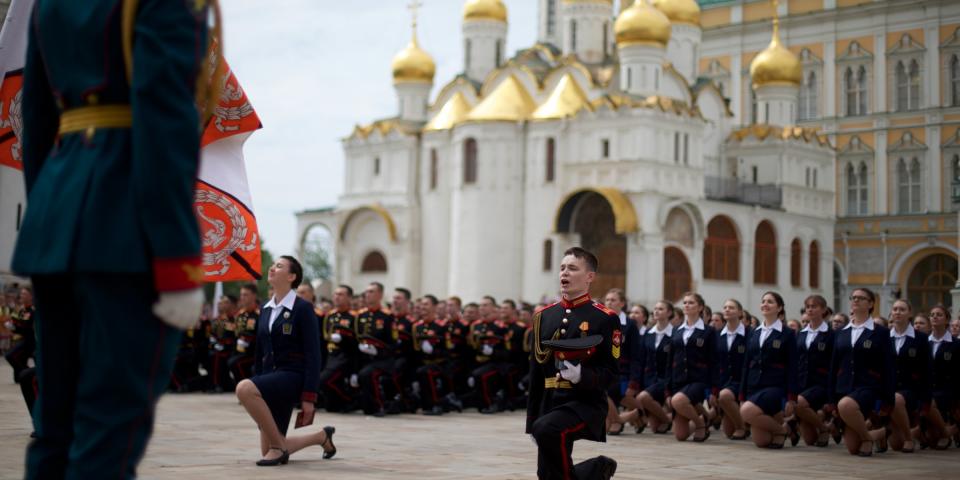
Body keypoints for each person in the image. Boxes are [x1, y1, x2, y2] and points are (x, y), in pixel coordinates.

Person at [13, 1, 213, 476]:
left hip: (57, 222)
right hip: (127, 230)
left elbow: (38, 121)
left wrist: (49, 217)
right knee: (109, 436)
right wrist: (178, 256)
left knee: (55, 429)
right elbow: (164, 117)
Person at [527, 247, 619, 480]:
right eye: (562, 268)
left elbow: (611, 371)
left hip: (585, 402)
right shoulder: (544, 316)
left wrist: (582, 376)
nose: (564, 273)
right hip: (550, 402)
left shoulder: (604, 317)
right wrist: (532, 420)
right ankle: (596, 470)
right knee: (546, 475)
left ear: (589, 277)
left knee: (548, 429)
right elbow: (536, 371)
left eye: (572, 268)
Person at [235, 256, 334, 466]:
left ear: (291, 277)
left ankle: (280, 448)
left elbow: (313, 355)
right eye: (273, 265)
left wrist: (309, 397)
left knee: (243, 388)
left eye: (279, 266)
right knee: (266, 449)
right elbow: (260, 351)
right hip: (270, 379)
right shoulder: (266, 308)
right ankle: (321, 437)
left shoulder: (303, 308)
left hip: (292, 377)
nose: (272, 268)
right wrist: (258, 381)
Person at [827, 288, 895, 456]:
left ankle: (866, 437)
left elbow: (888, 366)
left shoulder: (881, 333)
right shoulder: (841, 333)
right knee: (852, 448)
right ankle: (877, 434)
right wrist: (830, 397)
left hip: (868, 387)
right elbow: (834, 366)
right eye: (853, 297)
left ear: (871, 304)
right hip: (844, 387)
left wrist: (888, 399)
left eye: (861, 298)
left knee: (846, 405)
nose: (855, 300)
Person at [739, 291, 798, 449]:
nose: (765, 304)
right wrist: (742, 393)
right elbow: (746, 363)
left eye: (770, 302)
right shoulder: (753, 332)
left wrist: (792, 397)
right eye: (763, 301)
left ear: (779, 308)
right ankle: (783, 428)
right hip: (754, 385)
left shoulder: (787, 334)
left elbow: (793, 366)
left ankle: (781, 430)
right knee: (761, 441)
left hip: (775, 386)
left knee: (746, 412)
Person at [667, 292, 717, 442]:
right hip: (679, 380)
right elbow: (670, 361)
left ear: (700, 307)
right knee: (680, 435)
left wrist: (714, 389)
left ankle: (700, 423)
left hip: (698, 380)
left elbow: (714, 361)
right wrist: (667, 388)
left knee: (678, 401)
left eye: (691, 303)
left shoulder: (708, 331)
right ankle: (706, 417)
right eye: (685, 303)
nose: (686, 305)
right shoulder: (677, 330)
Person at [883, 299, 929, 453]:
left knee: (896, 399)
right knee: (896, 445)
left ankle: (910, 438)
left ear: (910, 313)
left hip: (911, 390)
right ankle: (911, 431)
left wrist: (925, 401)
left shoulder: (921, 339)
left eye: (902, 309)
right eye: (895, 309)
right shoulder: (884, 337)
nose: (897, 312)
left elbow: (927, 370)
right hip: (888, 389)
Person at [794, 295, 835, 447]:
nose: (810, 309)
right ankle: (823, 425)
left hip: (820, 382)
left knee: (799, 403)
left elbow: (833, 363)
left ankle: (824, 429)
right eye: (808, 306)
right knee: (810, 441)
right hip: (802, 381)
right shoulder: (801, 333)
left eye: (814, 306)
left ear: (823, 310)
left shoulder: (831, 334)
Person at [355, 282, 395, 417]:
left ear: (380, 295)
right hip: (365, 358)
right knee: (362, 372)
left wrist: (377, 351)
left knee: (367, 374)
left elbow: (393, 343)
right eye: (367, 291)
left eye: (371, 291)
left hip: (383, 359)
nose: (368, 294)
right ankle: (367, 407)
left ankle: (379, 406)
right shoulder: (361, 315)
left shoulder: (387, 316)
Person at [318, 285, 359, 412]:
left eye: (341, 294)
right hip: (331, 356)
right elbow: (325, 337)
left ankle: (350, 400)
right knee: (331, 405)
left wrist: (344, 339)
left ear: (349, 298)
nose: (336, 297)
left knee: (323, 381)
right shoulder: (329, 316)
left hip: (345, 357)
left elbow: (357, 340)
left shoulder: (354, 316)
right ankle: (341, 403)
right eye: (335, 294)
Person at [713, 299, 750, 440]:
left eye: (731, 307)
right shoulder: (717, 335)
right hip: (724, 381)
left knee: (724, 396)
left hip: (741, 380)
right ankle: (743, 421)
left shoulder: (749, 334)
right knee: (728, 432)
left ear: (740, 312)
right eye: (725, 307)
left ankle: (743, 426)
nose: (727, 309)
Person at [923, 304, 957, 450]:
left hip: (948, 388)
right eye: (932, 314)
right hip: (928, 387)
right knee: (931, 441)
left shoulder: (956, 344)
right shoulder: (924, 342)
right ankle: (946, 430)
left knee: (929, 402)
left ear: (947, 320)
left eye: (939, 314)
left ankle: (945, 433)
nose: (935, 317)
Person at [414, 295, 451, 415]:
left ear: (435, 307)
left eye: (426, 304)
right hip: (423, 362)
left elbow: (448, 349)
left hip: (440, 363)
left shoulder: (442, 326)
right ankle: (424, 404)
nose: (422, 307)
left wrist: (433, 351)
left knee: (425, 372)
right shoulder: (417, 326)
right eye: (421, 304)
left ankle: (437, 404)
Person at [229, 284, 261, 383]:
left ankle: (247, 388)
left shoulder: (259, 313)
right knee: (231, 361)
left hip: (254, 352)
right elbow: (236, 334)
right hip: (241, 351)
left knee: (235, 363)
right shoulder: (240, 315)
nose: (242, 297)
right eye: (241, 295)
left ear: (254, 296)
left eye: (245, 295)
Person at [4, 286, 35, 383]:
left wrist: (15, 327)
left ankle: (26, 373)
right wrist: (12, 326)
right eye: (21, 294)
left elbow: (26, 328)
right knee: (20, 359)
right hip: (21, 338)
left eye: (25, 294)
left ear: (31, 296)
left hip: (30, 341)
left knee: (10, 356)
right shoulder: (23, 310)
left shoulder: (33, 310)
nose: (22, 296)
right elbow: (20, 324)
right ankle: (22, 377)